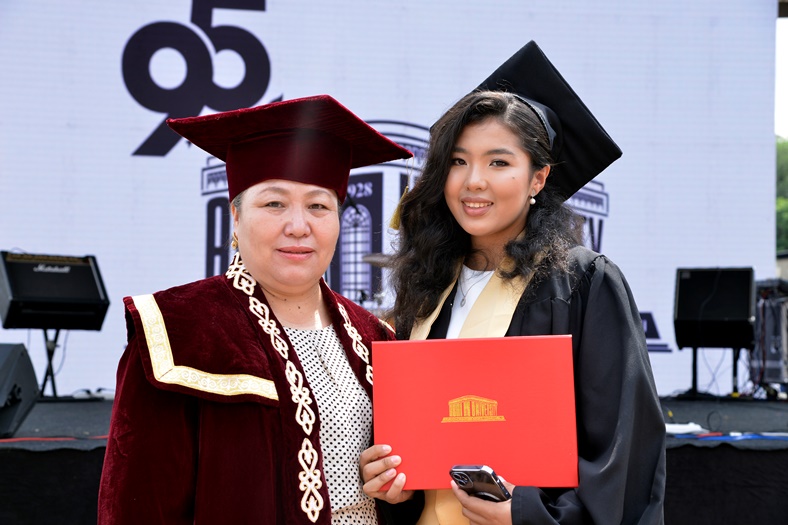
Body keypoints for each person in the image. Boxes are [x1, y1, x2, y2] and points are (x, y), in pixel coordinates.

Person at [360, 41, 666, 524]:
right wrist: (393, 485)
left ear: (538, 179)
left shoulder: (583, 282)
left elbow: (622, 450)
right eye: (458, 161)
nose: (473, 181)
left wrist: (525, 514)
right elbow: (420, 443)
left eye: (498, 163)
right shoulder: (429, 286)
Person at [97, 95, 413, 524]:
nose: (298, 226)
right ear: (235, 217)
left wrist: (399, 493)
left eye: (319, 206)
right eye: (274, 203)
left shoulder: (375, 337)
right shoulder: (177, 330)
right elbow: (137, 506)